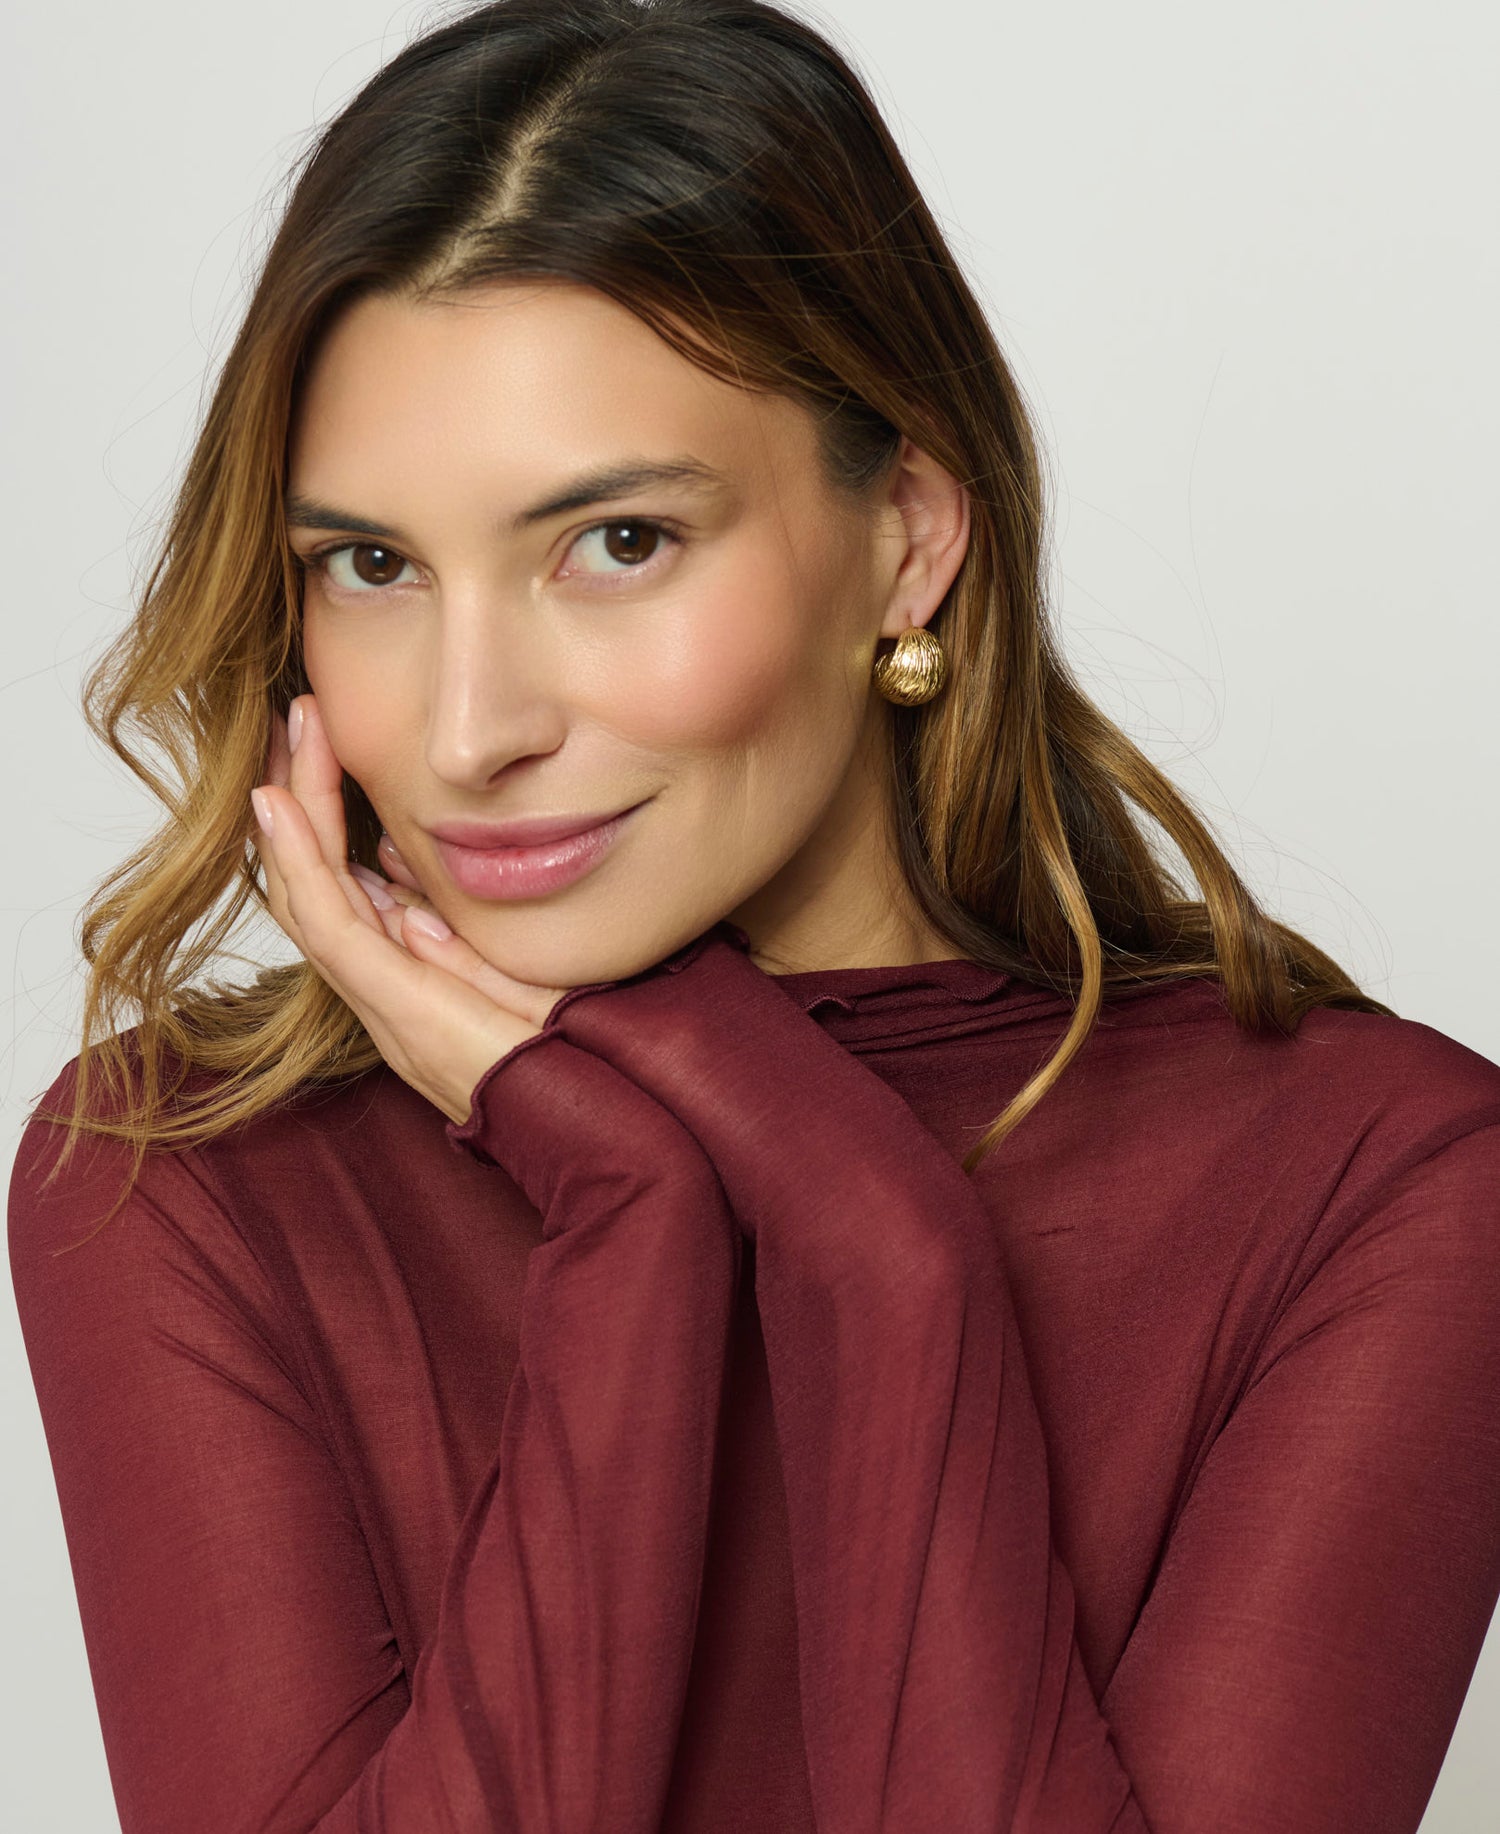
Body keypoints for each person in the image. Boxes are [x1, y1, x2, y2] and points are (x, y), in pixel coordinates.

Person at [9, 0, 1500, 1829]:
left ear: (908, 537)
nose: (471, 731)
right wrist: (638, 1215)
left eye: (617, 541)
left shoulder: (1382, 1179)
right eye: (371, 565)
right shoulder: (185, 1174)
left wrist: (868, 1246)